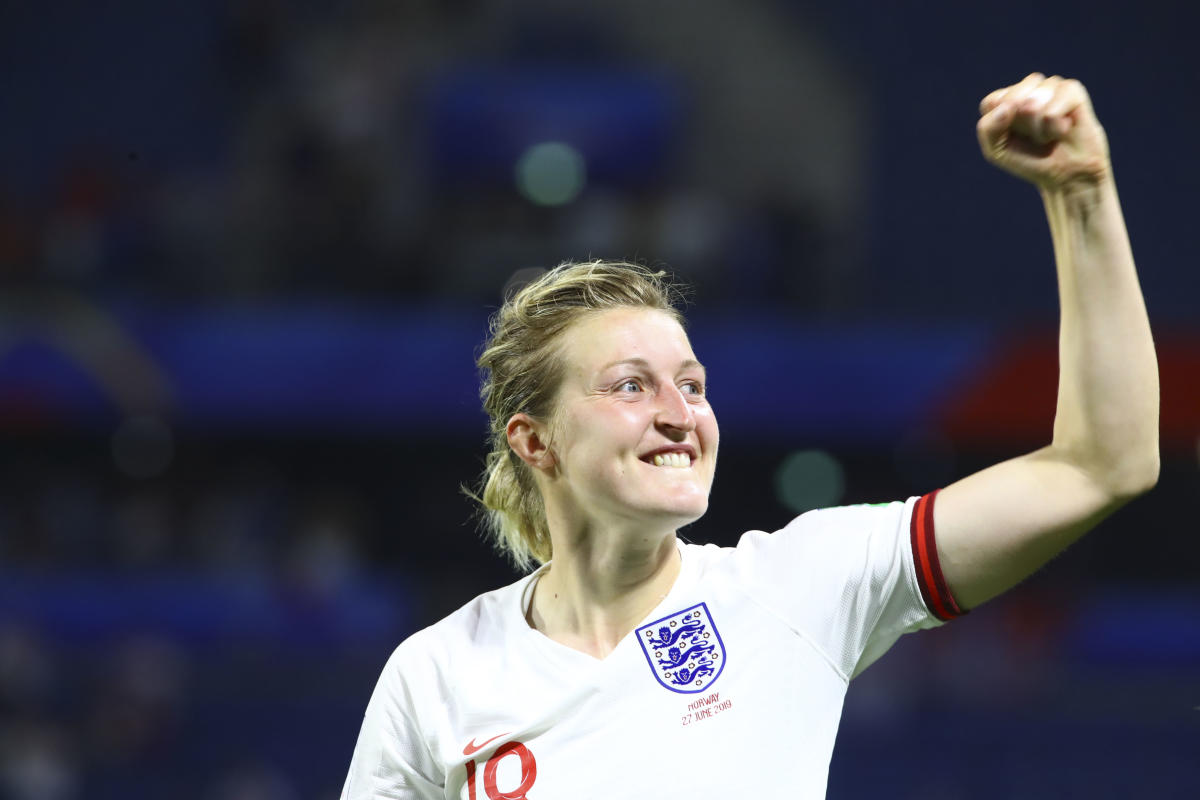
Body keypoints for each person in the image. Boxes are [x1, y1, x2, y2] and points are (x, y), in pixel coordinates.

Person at [340, 73, 1157, 799]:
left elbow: (1099, 465)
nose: (680, 411)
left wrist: (1082, 196)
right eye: (632, 385)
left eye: (692, 385)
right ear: (535, 440)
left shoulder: (800, 588)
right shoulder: (436, 677)